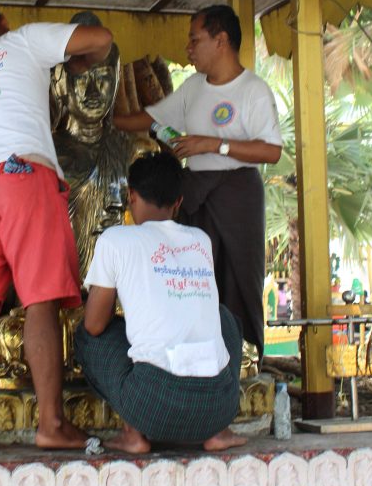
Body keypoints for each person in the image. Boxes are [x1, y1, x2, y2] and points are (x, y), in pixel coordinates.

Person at [0, 0, 113, 451]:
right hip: (21, 174)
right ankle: (51, 424)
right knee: (41, 302)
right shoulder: (24, 40)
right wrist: (76, 63)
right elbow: (101, 39)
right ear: (2, 19)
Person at [113, 4, 282, 360]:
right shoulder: (193, 87)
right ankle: (196, 360)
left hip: (238, 194)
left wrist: (213, 144)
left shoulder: (254, 90)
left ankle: (241, 361)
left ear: (221, 41)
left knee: (238, 279)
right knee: (193, 278)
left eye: (194, 40)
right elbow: (151, 117)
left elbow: (271, 151)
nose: (188, 49)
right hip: (195, 192)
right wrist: (107, 121)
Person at [75, 151, 247, 453]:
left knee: (87, 337)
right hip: (219, 405)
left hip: (153, 406)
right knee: (223, 319)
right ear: (178, 203)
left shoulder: (115, 240)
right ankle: (218, 432)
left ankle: (133, 433)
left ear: (131, 196)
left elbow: (95, 324)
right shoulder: (200, 239)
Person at [52, 11, 143, 279]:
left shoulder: (137, 152)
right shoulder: (45, 156)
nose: (93, 92)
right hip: (61, 290)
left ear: (115, 81)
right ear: (60, 85)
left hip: (120, 289)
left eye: (102, 77)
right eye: (81, 80)